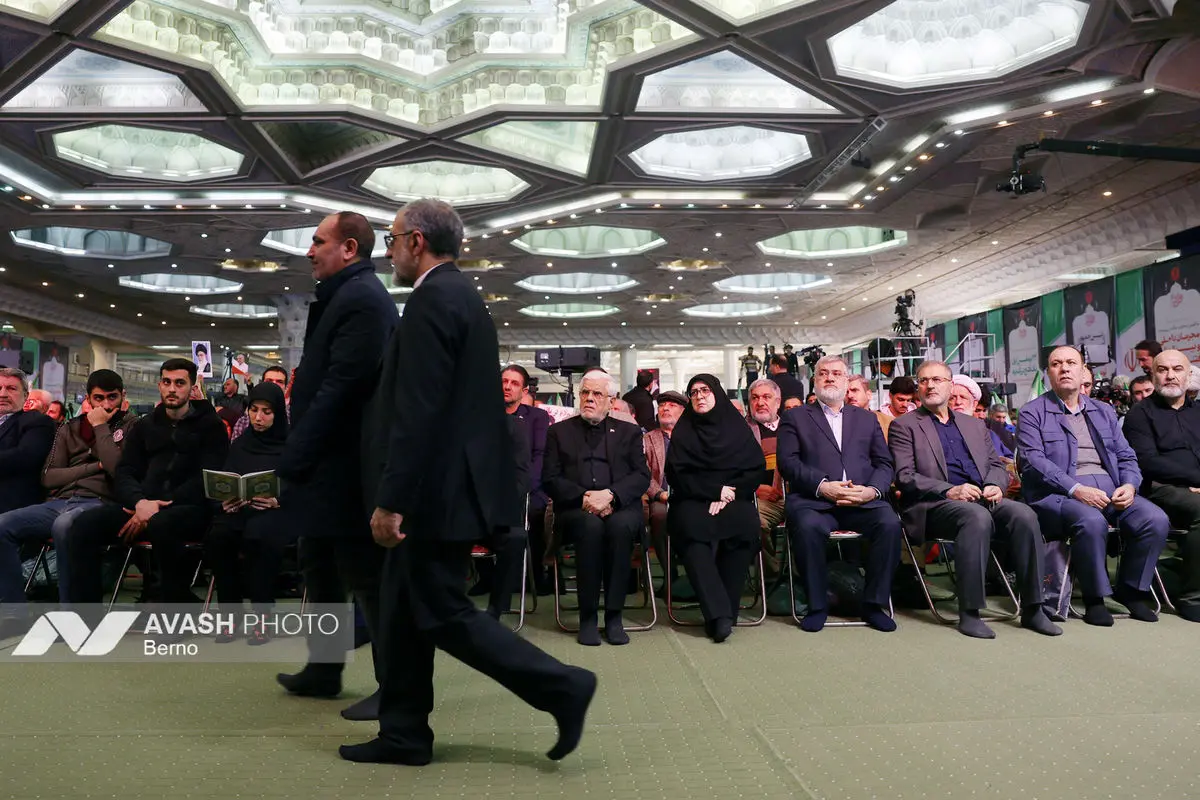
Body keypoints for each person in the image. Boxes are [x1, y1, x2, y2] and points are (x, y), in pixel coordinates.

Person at [349, 198, 596, 766]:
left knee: (441, 612)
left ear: (416, 241)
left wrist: (390, 501)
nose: (387, 251)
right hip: (449, 489)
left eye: (391, 240)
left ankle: (562, 686)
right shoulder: (460, 297)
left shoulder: (435, 300)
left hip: (434, 494)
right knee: (404, 612)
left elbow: (419, 413)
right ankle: (404, 734)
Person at [275, 211, 397, 722]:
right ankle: (324, 670)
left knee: (366, 579)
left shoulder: (363, 300)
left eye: (317, 241)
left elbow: (340, 390)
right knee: (318, 566)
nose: (308, 250)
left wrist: (295, 453)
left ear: (348, 248)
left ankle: (394, 690)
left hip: (348, 466)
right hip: (329, 462)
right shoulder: (344, 295)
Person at [889, 361, 1060, 638]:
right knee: (976, 517)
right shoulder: (904, 425)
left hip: (982, 497)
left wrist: (995, 485)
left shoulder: (974, 425)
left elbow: (996, 464)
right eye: (923, 381)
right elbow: (905, 476)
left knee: (1024, 515)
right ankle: (969, 612)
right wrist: (949, 490)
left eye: (937, 380)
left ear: (949, 385)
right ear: (918, 387)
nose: (930, 385)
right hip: (935, 505)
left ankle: (1033, 608)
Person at [1017, 346, 1169, 625]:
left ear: (1082, 370)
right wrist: (1076, 489)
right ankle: (1095, 599)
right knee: (1090, 521)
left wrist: (1130, 486)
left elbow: (1126, 455)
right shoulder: (1032, 413)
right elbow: (1033, 462)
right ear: (1049, 373)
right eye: (1056, 364)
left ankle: (1131, 591)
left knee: (1155, 519)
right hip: (1058, 495)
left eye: (1071, 363)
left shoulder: (1103, 411)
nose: (1064, 368)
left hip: (1111, 491)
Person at [66, 359, 228, 608]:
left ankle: (174, 613)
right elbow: (126, 471)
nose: (172, 389)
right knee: (83, 526)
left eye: (179, 383)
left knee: (163, 524)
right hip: (140, 506)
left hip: (189, 508)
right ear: (160, 385)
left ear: (192, 387)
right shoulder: (146, 425)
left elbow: (207, 477)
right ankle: (85, 617)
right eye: (166, 382)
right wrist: (139, 502)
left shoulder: (211, 426)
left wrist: (157, 507)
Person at [0, 370, 138, 627]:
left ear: (123, 396)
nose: (106, 404)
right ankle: (13, 612)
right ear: (88, 398)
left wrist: (100, 427)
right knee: (3, 525)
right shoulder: (69, 428)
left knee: (66, 527)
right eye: (99, 398)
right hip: (59, 502)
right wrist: (92, 467)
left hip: (99, 503)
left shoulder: (132, 426)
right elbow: (49, 477)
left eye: (112, 397)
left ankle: (69, 618)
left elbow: (116, 469)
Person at [777, 355, 901, 632]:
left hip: (862, 501)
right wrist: (823, 486)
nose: (829, 377)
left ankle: (873, 605)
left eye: (836, 373)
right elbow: (788, 462)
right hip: (815, 500)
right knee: (807, 527)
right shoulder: (795, 417)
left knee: (890, 524)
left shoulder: (867, 420)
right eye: (823, 373)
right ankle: (818, 605)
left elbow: (884, 463)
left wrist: (872, 491)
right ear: (814, 380)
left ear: (847, 381)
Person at [543, 370, 650, 645]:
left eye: (597, 394)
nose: (589, 398)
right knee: (589, 527)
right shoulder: (558, 432)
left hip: (620, 504)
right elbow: (550, 479)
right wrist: (585, 499)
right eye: (585, 393)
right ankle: (588, 617)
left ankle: (614, 616)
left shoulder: (628, 432)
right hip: (576, 507)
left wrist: (611, 496)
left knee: (619, 527)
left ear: (611, 400)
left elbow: (641, 476)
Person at [666, 374, 765, 642]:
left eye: (705, 390)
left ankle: (724, 610)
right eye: (693, 392)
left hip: (733, 496)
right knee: (691, 532)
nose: (699, 396)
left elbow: (755, 468)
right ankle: (719, 615)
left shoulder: (737, 427)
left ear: (717, 394)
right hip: (692, 498)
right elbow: (676, 473)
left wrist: (729, 492)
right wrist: (713, 491)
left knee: (745, 528)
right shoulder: (684, 430)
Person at [206, 382, 294, 644]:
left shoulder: (292, 445)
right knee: (219, 537)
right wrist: (224, 502)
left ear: (278, 413)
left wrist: (278, 500)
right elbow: (224, 479)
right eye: (254, 410)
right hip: (240, 511)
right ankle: (230, 617)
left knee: (259, 536)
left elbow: (304, 486)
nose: (258, 417)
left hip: (277, 514)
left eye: (267, 411)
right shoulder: (241, 444)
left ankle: (262, 617)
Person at [1122, 349, 1200, 622]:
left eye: (1177, 369)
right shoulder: (1139, 415)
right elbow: (1147, 462)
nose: (1170, 376)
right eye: (1163, 370)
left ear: (1188, 375)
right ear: (1152, 375)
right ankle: (1193, 598)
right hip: (1160, 489)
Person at [499, 364, 552, 594]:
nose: (507, 387)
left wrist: (523, 487)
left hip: (530, 486)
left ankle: (535, 575)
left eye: (514, 383)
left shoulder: (537, 417)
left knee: (535, 512)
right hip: (493, 487)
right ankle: (491, 576)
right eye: (504, 381)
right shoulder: (484, 414)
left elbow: (540, 455)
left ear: (524, 391)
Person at [643, 390, 688, 595]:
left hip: (691, 495)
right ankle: (671, 575)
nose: (665, 408)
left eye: (671, 405)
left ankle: (697, 574)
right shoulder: (647, 439)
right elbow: (642, 473)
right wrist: (660, 494)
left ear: (683, 411)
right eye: (662, 405)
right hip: (661, 496)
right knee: (659, 515)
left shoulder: (693, 437)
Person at [0, 369, 56, 517]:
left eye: (11, 388)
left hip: (10, 503)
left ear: (26, 396)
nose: (3, 394)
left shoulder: (36, 421)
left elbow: (27, 456)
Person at [231, 366, 290, 440]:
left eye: (280, 382)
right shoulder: (243, 422)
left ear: (286, 387)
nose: (274, 384)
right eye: (269, 380)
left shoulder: (295, 417)